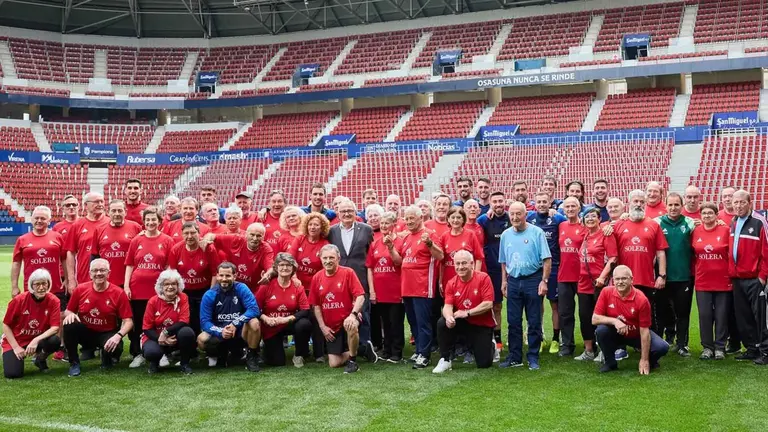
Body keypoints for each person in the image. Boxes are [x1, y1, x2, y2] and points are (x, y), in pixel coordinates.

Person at [387, 205, 444, 369]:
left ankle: (425, 355)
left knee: (423, 322)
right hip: (407, 287)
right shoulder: (406, 238)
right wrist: (391, 248)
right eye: (407, 218)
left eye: (413, 218)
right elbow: (398, 261)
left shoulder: (430, 235)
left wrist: (430, 244)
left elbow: (440, 256)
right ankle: (419, 350)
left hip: (423, 286)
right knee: (413, 322)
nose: (409, 221)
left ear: (421, 218)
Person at [499, 201, 552, 371]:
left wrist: (544, 281)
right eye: (512, 214)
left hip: (532, 280)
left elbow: (547, 259)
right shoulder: (506, 235)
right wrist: (504, 281)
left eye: (518, 214)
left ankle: (533, 356)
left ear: (525, 215)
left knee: (534, 321)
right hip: (513, 281)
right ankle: (515, 357)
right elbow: (503, 262)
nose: (515, 217)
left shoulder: (537, 233)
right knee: (513, 321)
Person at [63, 259, 133, 377]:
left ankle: (107, 356)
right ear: (90, 274)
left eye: (102, 270)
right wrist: (70, 314)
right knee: (69, 325)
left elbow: (128, 321)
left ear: (108, 273)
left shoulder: (118, 293)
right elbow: (68, 311)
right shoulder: (80, 289)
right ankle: (74, 363)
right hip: (86, 332)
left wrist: (118, 336)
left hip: (107, 333)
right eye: (95, 271)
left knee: (113, 350)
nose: (99, 273)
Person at [124, 207, 175, 368]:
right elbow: (130, 265)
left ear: (160, 222)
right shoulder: (136, 241)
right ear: (144, 222)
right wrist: (126, 286)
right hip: (137, 289)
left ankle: (163, 353)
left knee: (159, 322)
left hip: (158, 290)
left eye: (154, 220)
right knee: (138, 323)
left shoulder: (167, 240)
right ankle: (138, 353)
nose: (151, 222)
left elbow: (169, 266)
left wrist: (166, 288)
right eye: (148, 220)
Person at [593, 265, 669, 374]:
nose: (620, 282)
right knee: (601, 331)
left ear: (631, 280)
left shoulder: (641, 299)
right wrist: (615, 321)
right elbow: (595, 319)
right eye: (617, 279)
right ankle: (610, 362)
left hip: (636, 334)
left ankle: (649, 361)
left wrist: (644, 359)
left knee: (662, 347)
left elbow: (644, 330)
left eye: (624, 278)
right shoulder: (606, 292)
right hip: (616, 333)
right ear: (613, 281)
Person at [612, 190, 668, 336]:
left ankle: (646, 344)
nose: (638, 204)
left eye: (641, 202)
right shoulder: (618, 225)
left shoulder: (653, 225)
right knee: (621, 315)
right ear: (629, 203)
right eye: (635, 201)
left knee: (646, 315)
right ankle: (621, 346)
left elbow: (660, 252)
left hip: (646, 279)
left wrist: (661, 275)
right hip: (623, 281)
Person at [432, 250, 496, 373]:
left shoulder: (483, 278)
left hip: (481, 324)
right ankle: (445, 359)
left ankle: (490, 344)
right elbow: (447, 306)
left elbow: (488, 304)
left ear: (472, 264)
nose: (460, 267)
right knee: (442, 322)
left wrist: (467, 312)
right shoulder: (451, 283)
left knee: (484, 364)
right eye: (458, 264)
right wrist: (449, 317)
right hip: (462, 322)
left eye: (464, 263)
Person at [309, 244, 369, 373]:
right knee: (334, 363)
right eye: (325, 258)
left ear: (338, 258)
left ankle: (352, 361)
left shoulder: (348, 272)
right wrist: (322, 327)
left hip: (347, 319)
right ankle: (362, 349)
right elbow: (316, 306)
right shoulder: (317, 278)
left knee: (351, 325)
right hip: (331, 326)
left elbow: (360, 296)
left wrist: (353, 314)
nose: (328, 261)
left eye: (332, 257)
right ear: (320, 258)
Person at [327, 199, 375, 357]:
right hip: (338, 281)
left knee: (364, 314)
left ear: (356, 213)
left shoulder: (367, 230)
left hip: (360, 279)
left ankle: (365, 347)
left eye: (350, 211)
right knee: (342, 312)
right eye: (343, 211)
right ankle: (347, 347)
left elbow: (370, 256)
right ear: (338, 214)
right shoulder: (331, 231)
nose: (347, 214)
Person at [728, 190, 768, 364]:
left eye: (741, 202)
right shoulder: (733, 221)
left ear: (749, 203)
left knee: (761, 317)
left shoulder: (759, 222)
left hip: (754, 279)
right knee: (743, 317)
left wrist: (762, 276)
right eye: (735, 202)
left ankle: (765, 351)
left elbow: (766, 252)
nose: (738, 206)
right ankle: (752, 348)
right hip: (737, 279)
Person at [198, 262, 262, 371]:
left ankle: (252, 356)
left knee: (254, 322)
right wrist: (220, 331)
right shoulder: (209, 294)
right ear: (217, 276)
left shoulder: (242, 288)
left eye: (228, 275)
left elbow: (254, 309)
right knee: (201, 339)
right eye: (221, 275)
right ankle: (217, 356)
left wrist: (235, 323)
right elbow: (205, 322)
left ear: (234, 276)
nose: (224, 279)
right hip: (221, 331)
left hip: (240, 330)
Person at [654, 192, 696, 356]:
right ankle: (659, 343)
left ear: (682, 205)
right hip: (662, 277)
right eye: (670, 205)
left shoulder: (690, 223)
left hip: (684, 277)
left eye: (676, 205)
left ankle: (682, 345)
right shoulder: (657, 223)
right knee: (662, 313)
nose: (673, 208)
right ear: (665, 206)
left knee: (682, 313)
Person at [576, 207, 618, 361]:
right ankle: (588, 350)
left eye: (594, 216)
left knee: (601, 317)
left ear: (600, 219)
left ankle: (604, 350)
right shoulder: (585, 235)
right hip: (583, 284)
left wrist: (602, 277)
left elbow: (613, 258)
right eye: (587, 217)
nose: (590, 219)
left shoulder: (606, 234)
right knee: (585, 317)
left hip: (600, 284)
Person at [527, 192, 567, 355]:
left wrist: (559, 212)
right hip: (535, 269)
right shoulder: (529, 218)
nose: (542, 204)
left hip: (554, 268)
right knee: (536, 305)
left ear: (550, 202)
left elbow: (575, 222)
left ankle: (556, 339)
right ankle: (539, 337)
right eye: (539, 201)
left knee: (555, 305)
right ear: (534, 203)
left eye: (545, 201)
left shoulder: (557, 218)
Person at [287, 212, 331, 361]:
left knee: (316, 318)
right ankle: (302, 351)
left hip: (315, 289)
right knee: (301, 321)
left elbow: (326, 267)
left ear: (322, 227)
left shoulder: (324, 244)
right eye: (311, 224)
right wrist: (293, 277)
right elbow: (290, 258)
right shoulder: (299, 239)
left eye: (316, 225)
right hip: (298, 288)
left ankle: (319, 353)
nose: (313, 227)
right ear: (306, 225)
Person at [2, 269, 61, 379]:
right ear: (31, 285)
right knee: (13, 374)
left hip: (37, 339)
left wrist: (35, 340)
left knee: (55, 341)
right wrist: (16, 347)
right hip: (17, 340)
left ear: (48, 284)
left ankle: (40, 359)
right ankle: (14, 355)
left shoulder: (54, 300)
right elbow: (6, 325)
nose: (41, 287)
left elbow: (55, 328)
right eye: (37, 284)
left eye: (44, 283)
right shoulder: (19, 300)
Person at [256, 253, 312, 368]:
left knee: (304, 323)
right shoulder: (266, 286)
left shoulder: (297, 286)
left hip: (288, 323)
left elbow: (305, 310)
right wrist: (265, 318)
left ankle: (300, 354)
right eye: (281, 265)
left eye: (288, 265)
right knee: (277, 362)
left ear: (293, 268)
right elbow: (254, 308)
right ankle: (266, 348)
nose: (285, 268)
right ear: (276, 267)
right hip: (271, 325)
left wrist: (285, 319)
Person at [692, 202, 731, 360]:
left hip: (723, 280)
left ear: (716, 215)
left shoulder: (726, 230)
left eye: (710, 213)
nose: (707, 216)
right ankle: (707, 347)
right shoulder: (695, 231)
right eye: (704, 213)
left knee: (722, 315)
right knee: (705, 315)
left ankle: (720, 347)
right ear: (700, 216)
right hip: (703, 281)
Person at [366, 211, 404, 362]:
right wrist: (372, 290)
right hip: (380, 290)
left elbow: (399, 262)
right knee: (385, 322)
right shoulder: (375, 243)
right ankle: (386, 349)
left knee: (396, 322)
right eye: (381, 223)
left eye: (386, 223)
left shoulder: (400, 242)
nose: (383, 226)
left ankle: (397, 351)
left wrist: (390, 247)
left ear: (394, 225)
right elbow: (370, 267)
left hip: (395, 289)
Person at [168, 221, 220, 334]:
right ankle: (191, 343)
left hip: (204, 290)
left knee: (204, 316)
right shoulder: (176, 249)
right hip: (184, 291)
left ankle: (206, 342)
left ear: (199, 233)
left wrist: (210, 293)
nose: (190, 236)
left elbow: (215, 273)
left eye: (193, 233)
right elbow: (172, 274)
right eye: (186, 233)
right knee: (188, 319)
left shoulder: (208, 248)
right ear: (182, 234)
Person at [142, 269, 196, 374]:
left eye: (173, 284)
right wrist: (161, 338)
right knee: (151, 352)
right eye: (166, 284)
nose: (170, 287)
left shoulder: (183, 298)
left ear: (178, 285)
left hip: (175, 337)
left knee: (187, 333)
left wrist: (165, 332)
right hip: (155, 336)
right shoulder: (153, 301)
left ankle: (184, 364)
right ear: (161, 286)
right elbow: (146, 328)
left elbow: (184, 321)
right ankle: (154, 363)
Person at [477, 191, 510, 351]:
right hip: (490, 269)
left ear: (505, 202)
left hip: (510, 269)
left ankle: (502, 338)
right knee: (491, 305)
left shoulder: (512, 217)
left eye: (500, 201)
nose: (498, 204)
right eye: (494, 201)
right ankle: (492, 338)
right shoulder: (483, 220)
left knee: (504, 306)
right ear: (490, 203)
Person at [12, 206, 66, 301]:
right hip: (32, 288)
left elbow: (65, 259)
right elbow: (16, 263)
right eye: (36, 218)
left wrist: (68, 280)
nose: (39, 221)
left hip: (55, 288)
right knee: (33, 315)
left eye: (43, 218)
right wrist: (14, 286)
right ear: (32, 220)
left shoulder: (57, 237)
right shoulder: (22, 240)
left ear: (49, 221)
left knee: (59, 315)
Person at [204, 223, 275, 292]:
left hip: (251, 290)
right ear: (246, 234)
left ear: (263, 237)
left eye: (258, 236)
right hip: (231, 285)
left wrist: (267, 275)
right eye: (252, 235)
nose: (255, 238)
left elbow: (270, 268)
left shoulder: (266, 249)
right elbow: (211, 236)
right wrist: (205, 242)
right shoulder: (236, 240)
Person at [555, 197, 584, 357]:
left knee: (585, 312)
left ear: (579, 208)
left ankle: (591, 343)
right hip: (564, 276)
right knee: (565, 312)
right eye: (567, 206)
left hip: (583, 276)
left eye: (574, 206)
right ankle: (567, 344)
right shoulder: (561, 226)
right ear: (563, 209)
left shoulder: (585, 226)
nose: (570, 209)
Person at [90, 199, 142, 288]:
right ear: (108, 212)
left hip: (129, 282)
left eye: (120, 211)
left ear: (125, 212)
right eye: (113, 211)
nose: (117, 214)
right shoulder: (99, 230)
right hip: (106, 282)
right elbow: (95, 256)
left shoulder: (136, 227)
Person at [66, 192, 108, 292]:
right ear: (86, 205)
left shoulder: (109, 223)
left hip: (107, 280)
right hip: (84, 279)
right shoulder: (77, 225)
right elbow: (70, 253)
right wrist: (71, 280)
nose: (100, 204)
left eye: (102, 201)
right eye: (96, 202)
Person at [440, 206, 484, 292]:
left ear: (463, 219)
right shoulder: (444, 237)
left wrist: (475, 278)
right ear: (448, 219)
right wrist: (440, 281)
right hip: (449, 278)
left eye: (458, 217)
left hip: (467, 278)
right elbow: (441, 262)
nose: (455, 220)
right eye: (453, 217)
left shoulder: (470, 235)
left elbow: (479, 258)